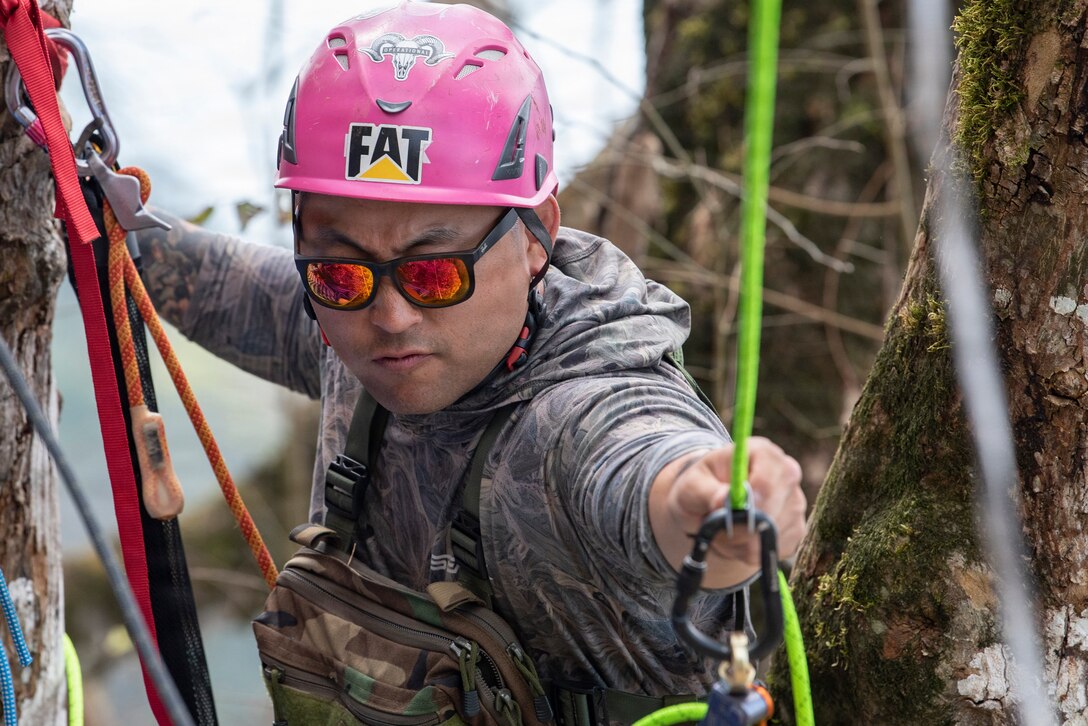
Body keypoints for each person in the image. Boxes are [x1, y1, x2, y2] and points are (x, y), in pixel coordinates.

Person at [136, 1, 807, 721]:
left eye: (433, 272)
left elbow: (640, 465)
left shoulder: (574, 421)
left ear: (536, 236)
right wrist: (86, 193)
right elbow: (228, 288)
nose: (389, 318)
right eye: (340, 272)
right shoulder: (357, 337)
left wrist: (699, 506)